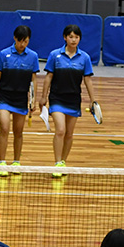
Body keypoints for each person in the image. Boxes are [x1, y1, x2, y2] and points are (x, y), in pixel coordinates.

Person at [42, 24, 97, 178]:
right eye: (70, 37)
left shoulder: (84, 57)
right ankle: (57, 163)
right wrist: (43, 96)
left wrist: (93, 100)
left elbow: (88, 80)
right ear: (65, 38)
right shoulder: (55, 55)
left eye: (76, 37)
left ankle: (64, 161)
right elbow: (48, 77)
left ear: (79, 39)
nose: (73, 40)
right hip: (57, 98)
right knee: (60, 130)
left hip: (73, 99)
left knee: (69, 134)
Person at [0, 25, 40, 177]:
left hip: (21, 98)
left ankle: (16, 162)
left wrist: (33, 99)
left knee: (19, 132)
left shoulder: (33, 56)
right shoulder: (4, 54)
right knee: (4, 128)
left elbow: (34, 79)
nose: (22, 44)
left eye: (25, 41)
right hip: (4, 97)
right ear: (14, 38)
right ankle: (2, 162)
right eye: (20, 41)